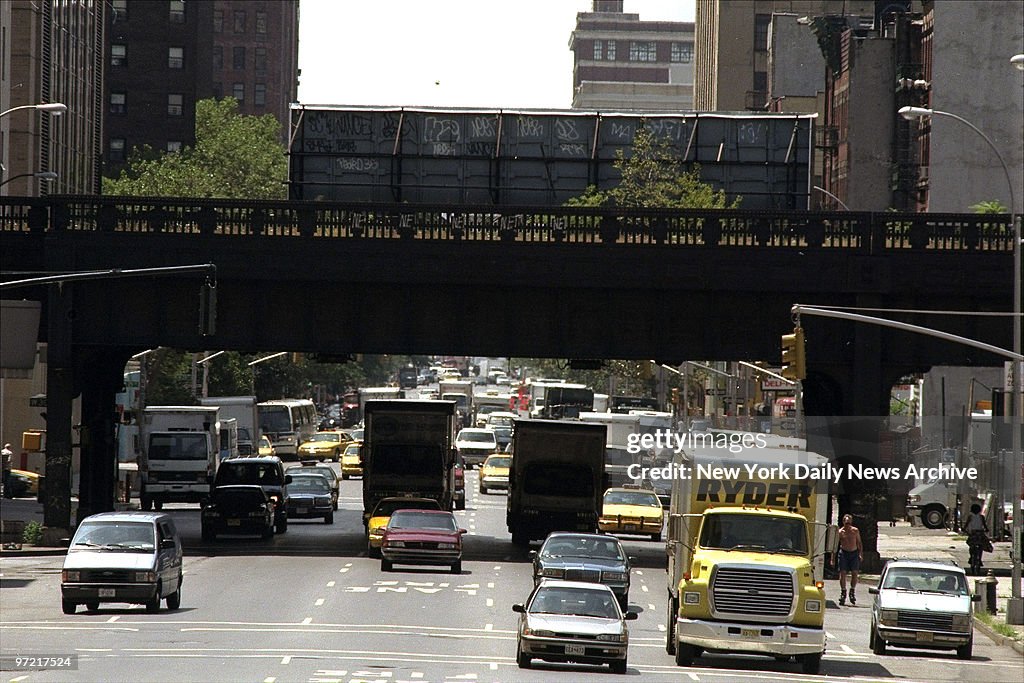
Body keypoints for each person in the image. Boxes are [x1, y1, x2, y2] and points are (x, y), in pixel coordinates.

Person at [834, 514, 863, 606]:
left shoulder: (855, 531)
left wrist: (860, 554)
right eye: (846, 523)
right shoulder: (840, 532)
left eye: (849, 523)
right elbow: (835, 545)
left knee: (855, 573)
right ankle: (843, 592)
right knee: (842, 573)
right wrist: (832, 558)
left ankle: (852, 591)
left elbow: (859, 543)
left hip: (853, 553)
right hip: (844, 553)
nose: (848, 525)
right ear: (843, 522)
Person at [964, 503, 989, 574]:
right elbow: (985, 526)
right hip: (980, 534)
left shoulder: (970, 516)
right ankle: (979, 559)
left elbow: (966, 525)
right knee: (982, 545)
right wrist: (986, 529)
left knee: (971, 545)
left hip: (973, 534)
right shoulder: (981, 517)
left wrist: (964, 529)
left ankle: (971, 557)